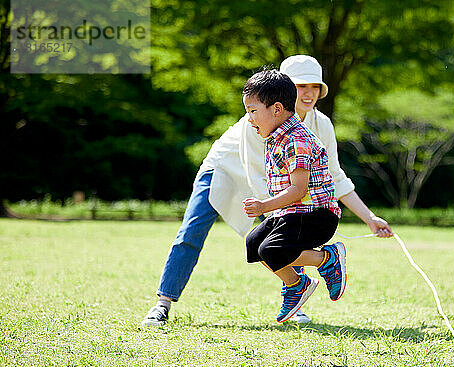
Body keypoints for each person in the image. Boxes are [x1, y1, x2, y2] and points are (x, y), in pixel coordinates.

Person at [141, 54, 392, 327]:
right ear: (281, 91)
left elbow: (335, 177)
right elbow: (257, 175)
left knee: (282, 236)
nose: (308, 94)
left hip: (274, 191)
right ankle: (162, 304)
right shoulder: (256, 120)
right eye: (300, 86)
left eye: (315, 87)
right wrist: (274, 212)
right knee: (191, 232)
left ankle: (296, 296)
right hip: (223, 171)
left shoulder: (321, 125)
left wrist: (370, 218)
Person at [242, 69, 346, 322]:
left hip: (316, 215)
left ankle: (327, 258)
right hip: (292, 213)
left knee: (272, 250)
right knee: (254, 244)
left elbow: (299, 190)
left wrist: (263, 206)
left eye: (253, 111)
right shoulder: (276, 138)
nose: (249, 119)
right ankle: (296, 285)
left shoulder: (295, 140)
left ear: (277, 109)